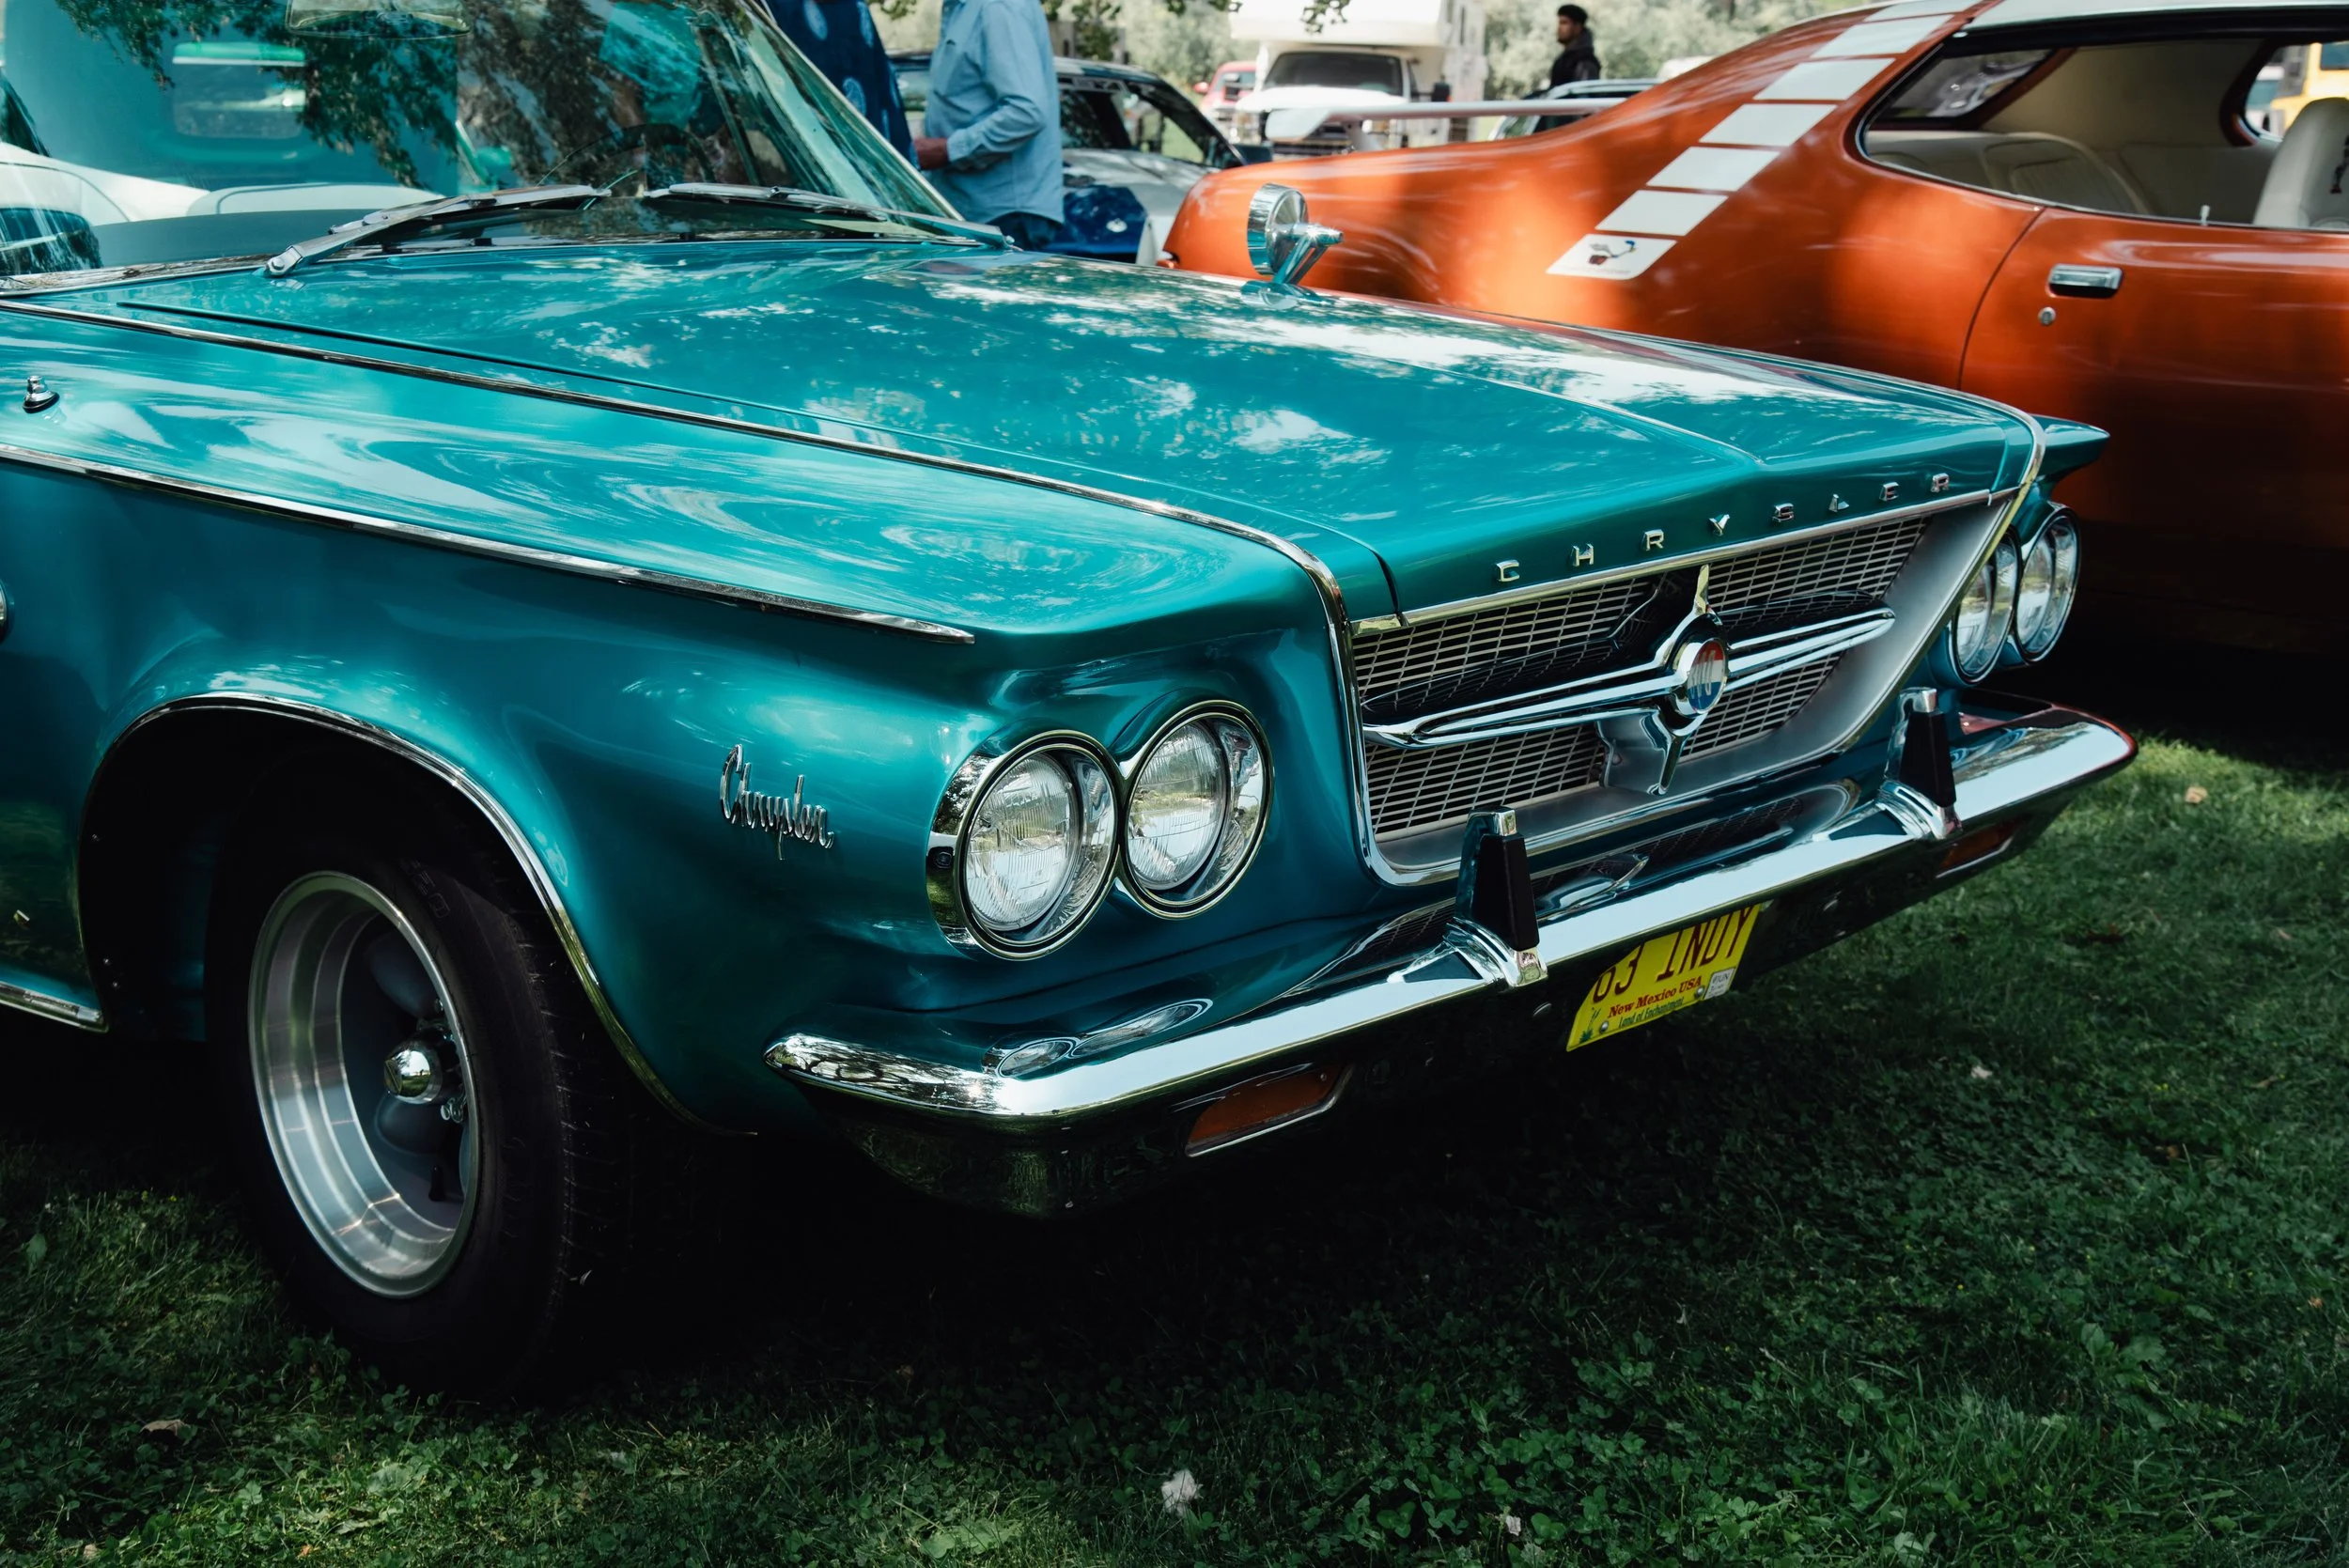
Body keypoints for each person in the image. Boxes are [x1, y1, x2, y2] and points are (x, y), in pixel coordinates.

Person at [910, 0, 1065, 249]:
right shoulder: (967, 8)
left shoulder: (997, 7)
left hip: (1003, 217)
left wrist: (947, 150)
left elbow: (1026, 112)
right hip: (982, 213)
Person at [762, 0, 915, 160]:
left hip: (853, 166)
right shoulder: (774, 10)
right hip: (822, 164)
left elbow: (885, 107)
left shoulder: (855, 11)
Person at [1549, 3, 1602, 88]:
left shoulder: (1585, 62)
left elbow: (1583, 96)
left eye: (1564, 23)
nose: (1559, 28)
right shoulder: (1563, 60)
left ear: (1577, 27)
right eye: (1559, 23)